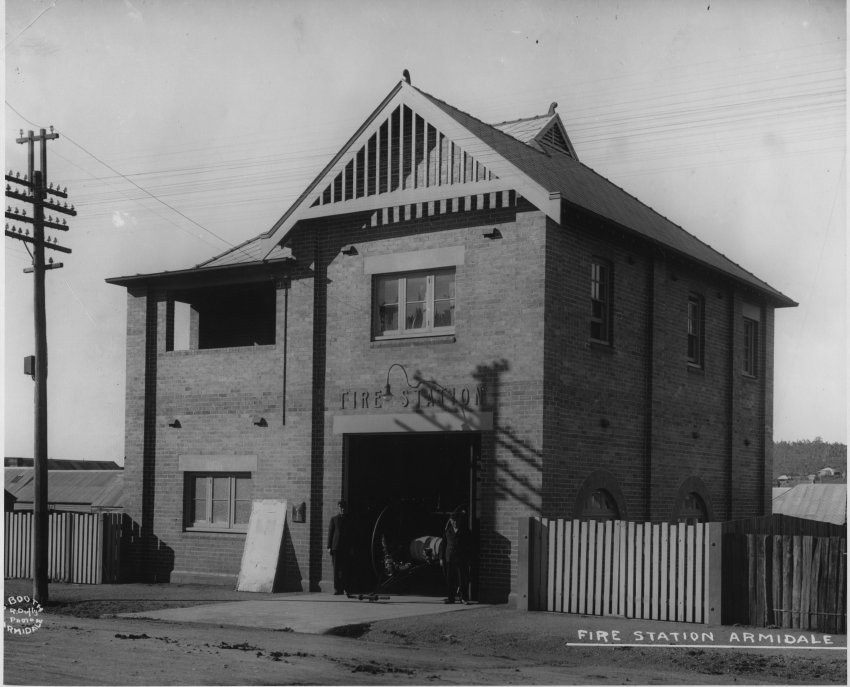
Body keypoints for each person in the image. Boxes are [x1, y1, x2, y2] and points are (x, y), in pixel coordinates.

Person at [442, 506, 471, 604]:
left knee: (463, 579)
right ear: (450, 521)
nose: (455, 523)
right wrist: (441, 558)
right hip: (450, 558)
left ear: (460, 521)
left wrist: (468, 558)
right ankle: (451, 598)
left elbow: (470, 545)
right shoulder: (448, 531)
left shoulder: (465, 531)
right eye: (453, 521)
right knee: (450, 579)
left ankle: (464, 598)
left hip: (462, 558)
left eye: (456, 521)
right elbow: (443, 545)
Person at [327, 499, 353, 595]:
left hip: (345, 547)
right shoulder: (334, 519)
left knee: (345, 569)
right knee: (336, 569)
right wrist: (329, 546)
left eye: (344, 507)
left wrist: (351, 547)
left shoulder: (349, 519)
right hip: (336, 547)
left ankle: (345, 588)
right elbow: (330, 533)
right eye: (341, 507)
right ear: (338, 508)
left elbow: (351, 534)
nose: (342, 509)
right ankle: (337, 589)